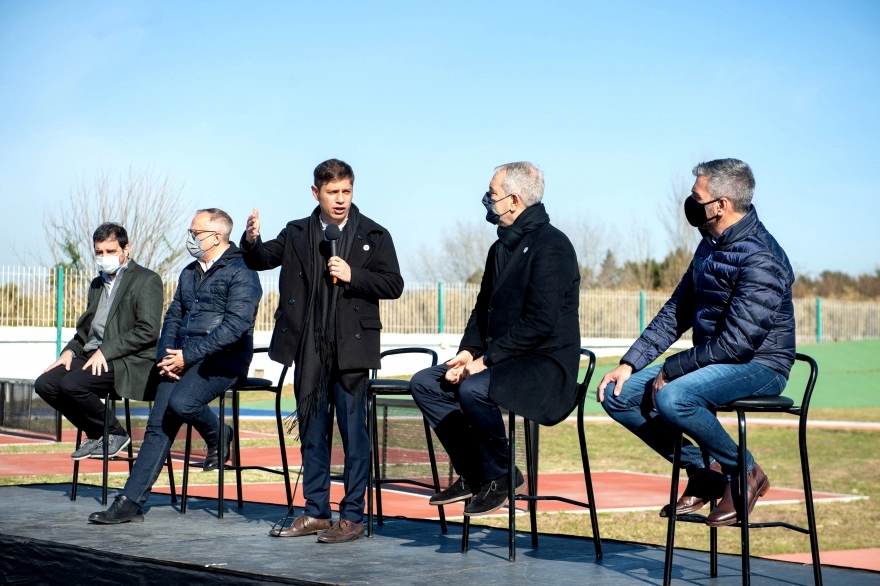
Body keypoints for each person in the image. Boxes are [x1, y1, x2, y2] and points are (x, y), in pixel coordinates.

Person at [598, 158, 796, 526]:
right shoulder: (709, 245)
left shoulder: (762, 258)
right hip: (713, 360)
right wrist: (630, 363)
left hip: (761, 365)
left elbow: (738, 344)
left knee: (673, 397)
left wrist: (673, 369)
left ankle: (746, 471)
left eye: (696, 196)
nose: (689, 202)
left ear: (720, 204)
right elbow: (677, 311)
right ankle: (706, 472)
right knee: (617, 394)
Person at [240, 159, 403, 543]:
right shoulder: (298, 232)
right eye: (333, 192)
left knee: (354, 436)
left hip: (352, 349)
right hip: (308, 346)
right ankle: (315, 512)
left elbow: (393, 284)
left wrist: (354, 275)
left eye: (347, 191)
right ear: (316, 193)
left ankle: (352, 517)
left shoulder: (374, 235)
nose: (341, 199)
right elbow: (262, 259)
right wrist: (251, 240)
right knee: (314, 433)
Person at [409, 161, 581, 516]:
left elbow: (539, 324)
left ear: (513, 201)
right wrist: (466, 353)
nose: (487, 200)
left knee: (473, 388)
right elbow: (482, 310)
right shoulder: (499, 248)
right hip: (503, 360)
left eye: (492, 194)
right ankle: (477, 472)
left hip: (543, 364)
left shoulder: (553, 246)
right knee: (426, 383)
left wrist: (483, 362)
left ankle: (500, 475)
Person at [89, 208, 262, 524]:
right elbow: (172, 317)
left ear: (216, 236)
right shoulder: (189, 272)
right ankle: (131, 501)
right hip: (182, 358)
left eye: (195, 233)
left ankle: (219, 433)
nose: (190, 238)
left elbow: (236, 326)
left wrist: (188, 356)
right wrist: (166, 358)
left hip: (223, 360)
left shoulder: (242, 271)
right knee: (158, 423)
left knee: (183, 403)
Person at [35, 223, 163, 460]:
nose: (104, 257)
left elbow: (148, 331)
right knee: (45, 384)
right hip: (92, 355)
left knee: (72, 384)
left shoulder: (147, 280)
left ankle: (115, 433)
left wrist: (106, 351)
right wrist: (69, 352)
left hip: (128, 360)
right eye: (99, 252)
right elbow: (86, 333)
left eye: (111, 251)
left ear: (126, 249)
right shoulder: (96, 284)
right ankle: (99, 433)